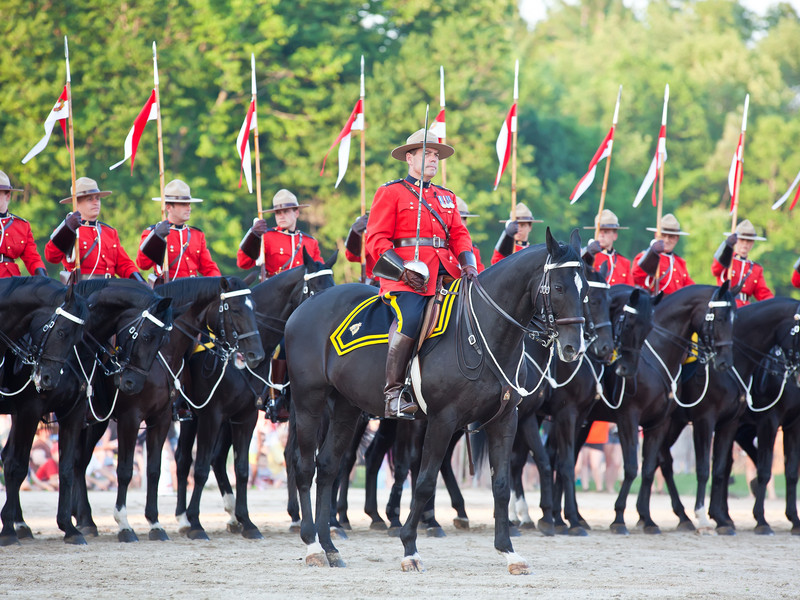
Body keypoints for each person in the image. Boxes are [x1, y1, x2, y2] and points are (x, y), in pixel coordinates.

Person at [365, 128, 477, 419]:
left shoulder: (447, 197)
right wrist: (402, 272)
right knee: (411, 317)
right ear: (409, 158)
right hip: (408, 278)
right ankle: (393, 394)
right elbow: (376, 240)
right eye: (426, 154)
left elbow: (461, 236)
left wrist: (469, 264)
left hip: (447, 273)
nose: (433, 159)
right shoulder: (391, 192)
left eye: (436, 155)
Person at [237, 189, 323, 420]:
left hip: (302, 306)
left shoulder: (310, 242)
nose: (281, 216)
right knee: (277, 345)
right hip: (274, 308)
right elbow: (243, 262)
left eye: (286, 211)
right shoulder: (267, 237)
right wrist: (253, 235)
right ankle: (273, 396)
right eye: (277, 212)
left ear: (296, 212)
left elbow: (318, 272)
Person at [45, 177, 145, 282]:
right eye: (90, 199)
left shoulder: (109, 232)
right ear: (76, 203)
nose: (95, 202)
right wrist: (67, 228)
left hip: (109, 289)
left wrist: (140, 281)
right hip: (82, 291)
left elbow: (124, 265)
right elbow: (51, 257)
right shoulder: (68, 231)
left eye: (97, 198)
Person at [136, 179, 221, 281]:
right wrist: (156, 237)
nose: (189, 208)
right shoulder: (153, 232)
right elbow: (142, 264)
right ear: (168, 207)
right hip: (168, 290)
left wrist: (220, 283)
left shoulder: (197, 235)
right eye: (183, 204)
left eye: (189, 204)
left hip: (193, 290)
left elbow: (208, 268)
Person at [711, 219, 772, 307]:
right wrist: (727, 246)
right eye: (742, 240)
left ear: (753, 243)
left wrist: (777, 306)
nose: (745, 244)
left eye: (749, 241)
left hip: (745, 308)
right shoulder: (727, 260)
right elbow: (715, 270)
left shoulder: (755, 269)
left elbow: (764, 294)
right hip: (725, 305)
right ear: (736, 240)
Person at [0, 170, 48, 277]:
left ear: (7, 196)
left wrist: (42, 276)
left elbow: (32, 258)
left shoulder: (21, 226)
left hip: (11, 280)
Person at [632, 213, 694, 294]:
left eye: (671, 236)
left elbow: (690, 289)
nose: (667, 240)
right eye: (663, 235)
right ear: (656, 235)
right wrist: (652, 253)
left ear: (677, 238)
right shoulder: (646, 256)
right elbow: (635, 276)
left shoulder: (680, 262)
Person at [582, 209, 632, 285]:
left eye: (606, 232)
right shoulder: (588, 256)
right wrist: (588, 253)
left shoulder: (624, 262)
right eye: (599, 231)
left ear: (615, 236)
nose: (601, 235)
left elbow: (630, 291)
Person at [457, 197, 485, 272]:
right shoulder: (441, 248)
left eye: (459, 220)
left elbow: (480, 275)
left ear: (465, 222)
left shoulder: (473, 251)